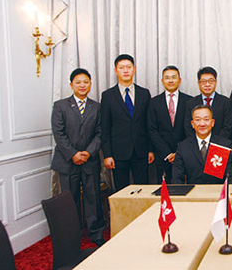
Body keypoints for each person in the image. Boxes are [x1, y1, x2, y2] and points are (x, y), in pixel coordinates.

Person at [51, 68, 106, 247]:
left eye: (86, 82)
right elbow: (58, 134)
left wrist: (88, 152)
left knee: (93, 198)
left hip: (90, 161)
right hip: (67, 162)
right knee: (70, 200)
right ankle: (72, 237)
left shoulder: (97, 107)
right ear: (71, 85)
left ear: (90, 84)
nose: (82, 85)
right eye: (78, 82)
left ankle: (96, 233)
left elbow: (100, 133)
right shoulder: (60, 106)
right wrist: (73, 154)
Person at [101, 54, 154, 191]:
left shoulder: (144, 93)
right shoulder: (107, 96)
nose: (125, 70)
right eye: (122, 67)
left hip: (141, 150)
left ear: (134, 69)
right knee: (121, 189)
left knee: (143, 189)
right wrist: (107, 154)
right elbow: (105, 127)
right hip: (118, 152)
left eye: (129, 67)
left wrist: (150, 149)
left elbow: (149, 124)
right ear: (116, 70)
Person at [148, 66, 192, 184]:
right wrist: (167, 153)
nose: (170, 80)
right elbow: (152, 130)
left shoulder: (189, 101)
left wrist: (179, 152)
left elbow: (191, 129)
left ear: (180, 80)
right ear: (162, 81)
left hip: (185, 155)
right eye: (167, 78)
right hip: (162, 156)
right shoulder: (154, 102)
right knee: (164, 192)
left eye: (174, 77)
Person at [171, 105, 232, 184]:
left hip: (219, 193)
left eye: (206, 119)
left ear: (212, 123)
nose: (202, 124)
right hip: (192, 194)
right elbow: (177, 178)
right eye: (198, 120)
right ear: (192, 124)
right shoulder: (183, 147)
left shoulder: (224, 145)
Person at [184, 66, 232, 139]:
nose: (207, 84)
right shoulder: (191, 103)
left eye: (211, 81)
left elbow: (227, 127)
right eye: (203, 81)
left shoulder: (226, 102)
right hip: (197, 146)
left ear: (215, 82)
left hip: (220, 145)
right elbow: (188, 128)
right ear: (198, 83)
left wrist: (214, 144)